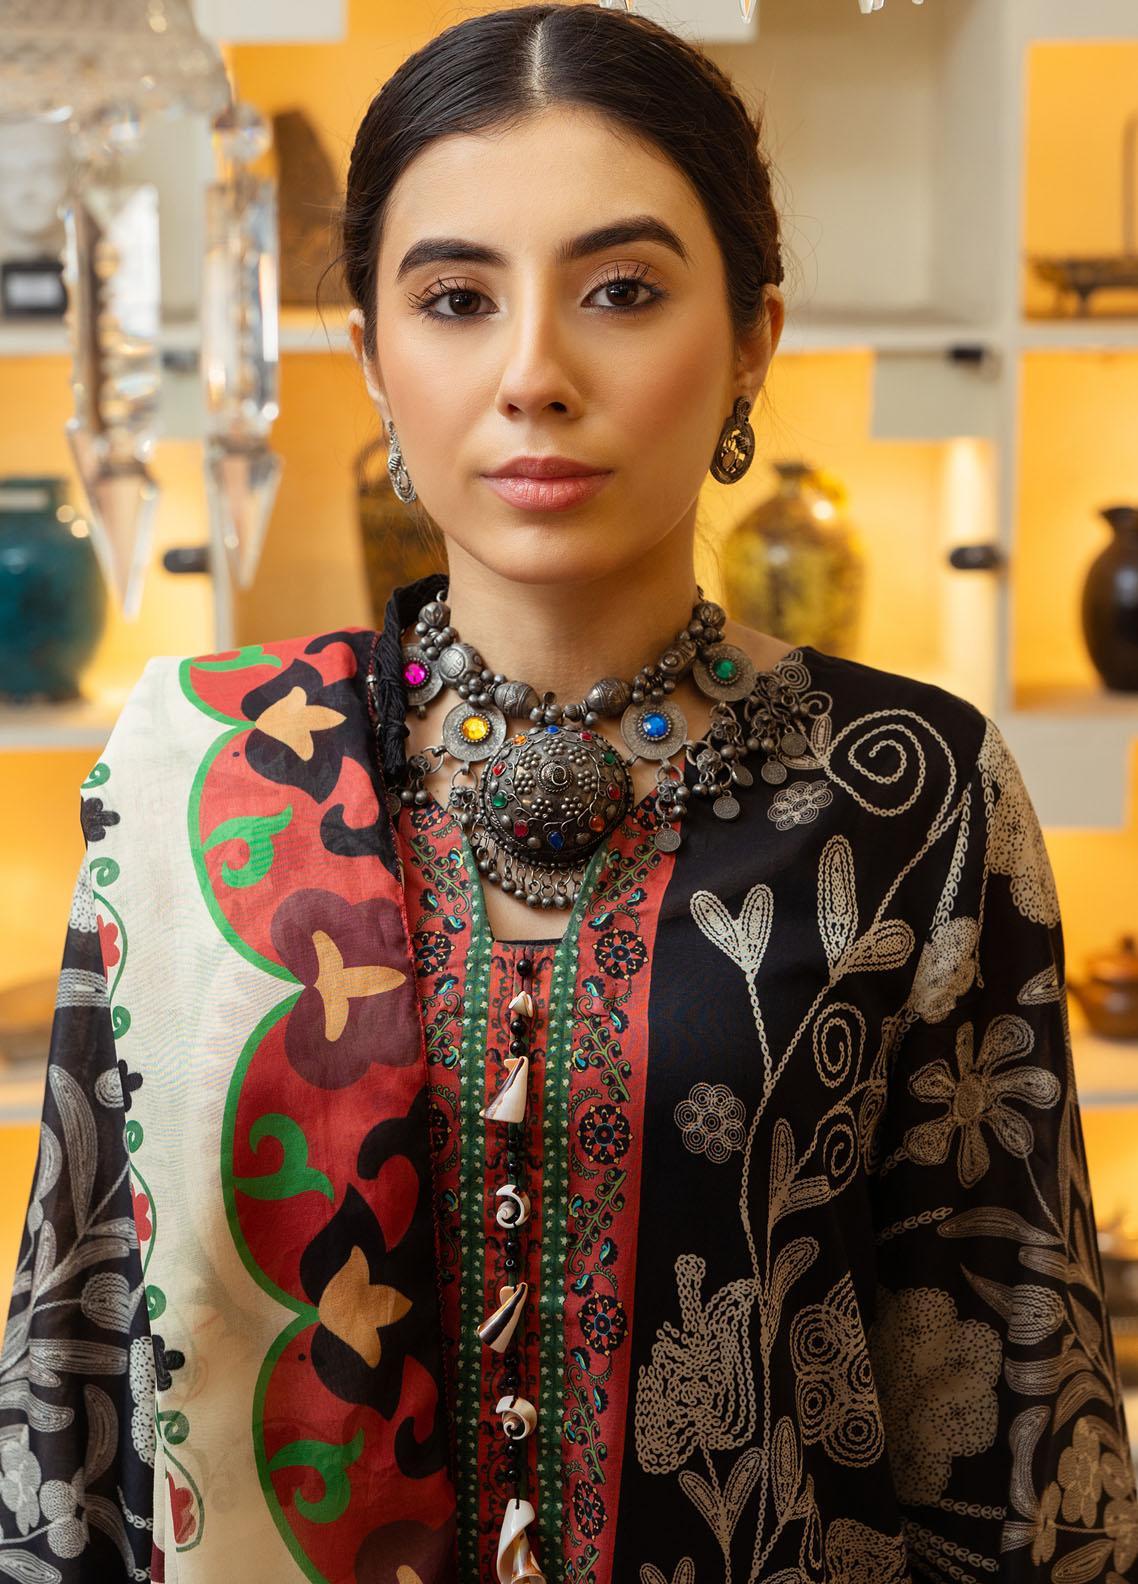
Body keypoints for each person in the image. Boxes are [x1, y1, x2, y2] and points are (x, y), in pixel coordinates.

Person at [2, 5, 1135, 1582]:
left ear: (751, 338)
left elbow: (1005, 1421)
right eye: (455, 299)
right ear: (371, 355)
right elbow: (76, 1377)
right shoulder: (206, 775)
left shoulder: (906, 794)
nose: (532, 374)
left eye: (620, 291)